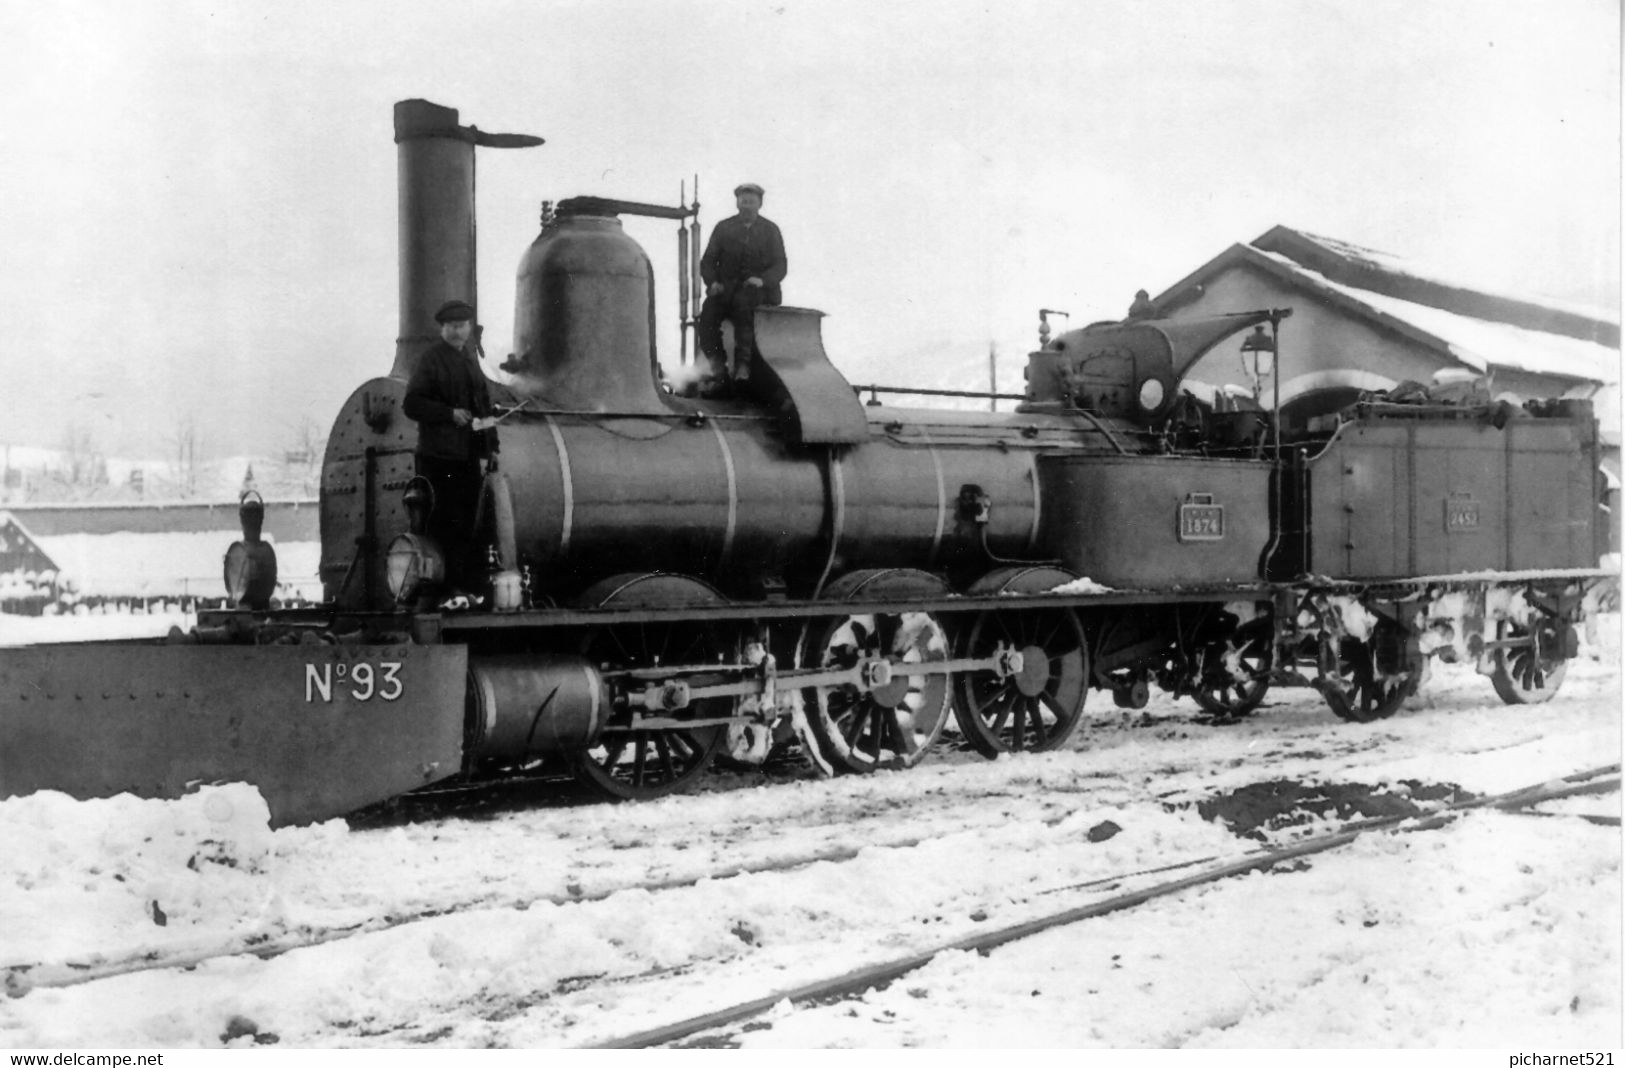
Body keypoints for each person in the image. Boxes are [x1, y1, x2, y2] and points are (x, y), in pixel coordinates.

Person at [403, 299, 498, 594]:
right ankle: (444, 589)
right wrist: (448, 414)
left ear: (470, 328)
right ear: (443, 329)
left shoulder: (470, 361)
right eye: (452, 327)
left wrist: (492, 448)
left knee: (469, 524)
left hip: (467, 457)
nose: (458, 332)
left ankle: (466, 588)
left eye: (462, 326)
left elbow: (484, 410)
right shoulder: (431, 360)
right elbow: (412, 403)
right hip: (438, 458)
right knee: (443, 524)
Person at [697, 183, 787, 389]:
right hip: (726, 291)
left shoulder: (770, 230)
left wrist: (762, 280)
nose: (747, 206)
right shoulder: (724, 227)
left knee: (744, 309)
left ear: (759, 204)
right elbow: (708, 261)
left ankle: (743, 365)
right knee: (707, 317)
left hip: (760, 293)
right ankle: (718, 366)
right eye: (743, 201)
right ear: (737, 203)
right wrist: (712, 283)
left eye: (751, 202)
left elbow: (780, 265)